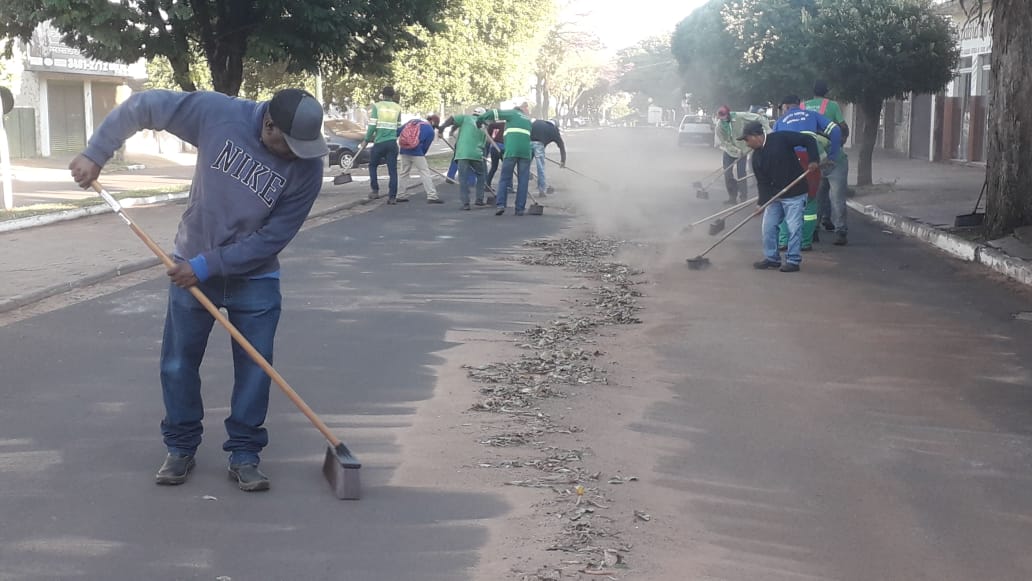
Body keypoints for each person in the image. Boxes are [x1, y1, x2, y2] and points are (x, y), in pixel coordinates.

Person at [67, 88, 328, 491]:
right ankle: (180, 448)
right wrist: (96, 153)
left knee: (257, 369)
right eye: (288, 144)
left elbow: (272, 238)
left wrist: (206, 267)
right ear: (269, 124)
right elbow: (145, 106)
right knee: (178, 364)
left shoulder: (307, 166)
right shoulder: (217, 114)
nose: (295, 154)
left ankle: (244, 454)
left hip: (253, 278)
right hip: (189, 262)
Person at [740, 121, 819, 273]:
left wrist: (813, 160)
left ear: (756, 136)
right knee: (768, 227)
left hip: (795, 193)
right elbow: (762, 183)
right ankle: (772, 258)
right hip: (775, 196)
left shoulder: (780, 138)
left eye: (747, 139)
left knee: (794, 227)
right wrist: (761, 204)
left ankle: (793, 261)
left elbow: (809, 140)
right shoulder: (756, 158)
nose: (746, 143)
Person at [773, 95, 841, 251]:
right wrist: (832, 155)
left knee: (785, 201)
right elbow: (836, 130)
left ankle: (784, 241)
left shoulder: (780, 121)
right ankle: (805, 242)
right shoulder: (812, 115)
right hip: (810, 161)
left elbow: (773, 145)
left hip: (787, 162)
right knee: (810, 202)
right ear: (799, 105)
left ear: (786, 107)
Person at [803, 80, 850, 245]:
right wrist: (840, 142)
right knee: (837, 198)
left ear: (812, 91)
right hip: (834, 159)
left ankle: (813, 231)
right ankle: (840, 232)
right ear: (827, 92)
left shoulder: (803, 107)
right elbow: (843, 127)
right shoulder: (832, 106)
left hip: (814, 160)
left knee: (816, 198)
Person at [479, 102, 533, 216]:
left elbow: (494, 113)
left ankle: (501, 205)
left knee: (504, 178)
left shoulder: (512, 114)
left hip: (511, 151)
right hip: (525, 152)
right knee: (523, 181)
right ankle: (519, 209)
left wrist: (480, 120)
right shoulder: (528, 120)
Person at [715, 105, 771, 204]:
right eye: (721, 117)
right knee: (727, 174)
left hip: (743, 149)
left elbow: (757, 118)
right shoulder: (719, 126)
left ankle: (743, 197)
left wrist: (768, 130)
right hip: (729, 151)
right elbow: (724, 142)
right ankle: (732, 197)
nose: (723, 119)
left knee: (741, 174)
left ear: (728, 113)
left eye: (724, 116)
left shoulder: (740, 116)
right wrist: (735, 150)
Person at [439, 110, 489, 210]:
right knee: (481, 174)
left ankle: (465, 203)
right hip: (476, 154)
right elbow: (484, 145)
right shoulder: (484, 126)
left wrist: (442, 129)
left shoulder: (466, 118)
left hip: (462, 153)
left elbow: (452, 119)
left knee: (463, 178)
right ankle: (479, 199)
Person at [365, 86, 404, 204]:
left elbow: (372, 125)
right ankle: (392, 197)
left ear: (382, 95)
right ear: (393, 95)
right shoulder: (398, 108)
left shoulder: (377, 106)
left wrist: (366, 139)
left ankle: (375, 191)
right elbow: (398, 127)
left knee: (372, 165)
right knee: (392, 170)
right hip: (392, 143)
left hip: (379, 142)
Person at [398, 113, 442, 203]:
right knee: (424, 172)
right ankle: (432, 196)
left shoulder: (412, 122)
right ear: (433, 123)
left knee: (403, 173)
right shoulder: (430, 130)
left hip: (404, 150)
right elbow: (425, 147)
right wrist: (421, 155)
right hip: (417, 152)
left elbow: (398, 131)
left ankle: (400, 195)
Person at [530, 118, 566, 196]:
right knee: (540, 168)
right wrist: (563, 161)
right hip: (539, 145)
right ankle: (542, 190)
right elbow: (561, 145)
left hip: (527, 143)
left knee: (525, 167)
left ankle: (523, 189)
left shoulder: (537, 122)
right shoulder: (553, 130)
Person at [484, 119, 506, 192]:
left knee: (494, 167)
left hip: (494, 147)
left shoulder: (496, 125)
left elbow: (490, 136)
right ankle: (508, 187)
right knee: (507, 168)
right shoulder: (508, 124)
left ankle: (487, 185)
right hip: (503, 148)